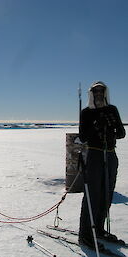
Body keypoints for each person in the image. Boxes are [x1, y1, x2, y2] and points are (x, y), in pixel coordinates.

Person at [78, 81, 126, 249]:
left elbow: (121, 133)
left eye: (101, 91)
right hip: (95, 154)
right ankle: (85, 234)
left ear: (105, 92)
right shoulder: (86, 113)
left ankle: (98, 228)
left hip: (111, 154)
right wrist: (96, 126)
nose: (99, 94)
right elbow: (83, 137)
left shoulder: (112, 110)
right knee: (93, 194)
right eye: (95, 91)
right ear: (91, 93)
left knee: (106, 193)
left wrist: (112, 125)